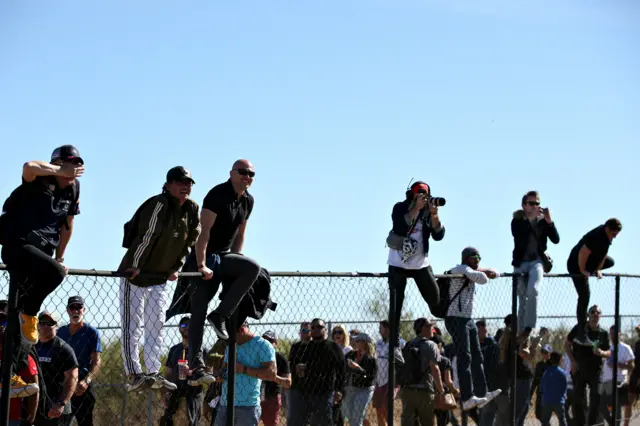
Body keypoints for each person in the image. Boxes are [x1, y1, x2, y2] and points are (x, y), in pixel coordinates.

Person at [0, 145, 83, 395]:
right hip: (18, 245)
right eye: (68, 164)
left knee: (22, 322)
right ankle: (29, 311)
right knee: (54, 276)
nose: (73, 170)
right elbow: (28, 166)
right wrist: (60, 169)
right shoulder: (39, 178)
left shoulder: (74, 188)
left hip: (42, 254)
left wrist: (60, 256)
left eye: (77, 165)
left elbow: (68, 225)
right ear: (57, 163)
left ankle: (11, 375)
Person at [117, 166, 200, 392]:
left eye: (189, 183)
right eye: (181, 182)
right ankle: (134, 373)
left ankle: (153, 372)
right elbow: (146, 236)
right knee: (132, 326)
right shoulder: (159, 204)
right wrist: (135, 263)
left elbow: (190, 241)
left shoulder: (192, 209)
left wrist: (176, 267)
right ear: (168, 184)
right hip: (135, 274)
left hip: (161, 277)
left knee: (156, 325)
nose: (186, 186)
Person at [187, 159, 260, 386]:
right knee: (198, 310)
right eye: (242, 172)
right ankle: (196, 365)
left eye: (251, 174)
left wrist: (236, 259)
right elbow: (203, 232)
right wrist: (201, 265)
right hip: (205, 255)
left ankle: (220, 315)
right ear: (231, 173)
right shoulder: (218, 194)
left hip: (225, 256)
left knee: (252, 268)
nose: (247, 177)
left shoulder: (248, 200)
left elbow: (240, 233)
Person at [444, 247, 502, 411]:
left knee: (477, 355)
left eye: (479, 258)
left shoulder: (471, 270)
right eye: (474, 257)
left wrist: (488, 271)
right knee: (465, 356)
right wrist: (485, 272)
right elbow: (483, 278)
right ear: (466, 258)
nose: (478, 260)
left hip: (468, 319)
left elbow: (494, 273)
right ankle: (467, 397)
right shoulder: (460, 269)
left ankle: (482, 394)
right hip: (455, 318)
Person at [387, 181, 445, 343]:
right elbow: (399, 227)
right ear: (412, 195)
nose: (423, 198)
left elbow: (438, 236)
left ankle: (435, 332)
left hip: (420, 264)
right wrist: (415, 209)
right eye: (419, 194)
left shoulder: (428, 211)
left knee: (435, 299)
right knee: (396, 305)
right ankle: (394, 342)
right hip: (398, 263)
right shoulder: (400, 207)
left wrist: (434, 214)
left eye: (425, 195)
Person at [567, 218, 621, 346]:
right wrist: (583, 271)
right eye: (613, 234)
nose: (614, 237)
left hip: (588, 261)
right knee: (584, 296)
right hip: (576, 264)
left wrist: (597, 270)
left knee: (610, 261)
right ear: (607, 229)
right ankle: (581, 334)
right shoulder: (596, 236)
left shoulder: (607, 238)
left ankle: (591, 269)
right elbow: (583, 252)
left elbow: (602, 255)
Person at [511, 190, 560, 331]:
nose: (534, 206)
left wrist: (549, 221)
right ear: (524, 205)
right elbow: (518, 236)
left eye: (537, 203)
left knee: (533, 290)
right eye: (531, 203)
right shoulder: (517, 221)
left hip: (536, 262)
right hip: (520, 263)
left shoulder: (543, 222)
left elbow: (556, 240)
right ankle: (520, 332)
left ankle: (529, 328)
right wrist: (531, 220)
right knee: (522, 299)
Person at [34, 310, 79, 426]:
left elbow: (72, 378)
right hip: (36, 406)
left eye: (50, 323)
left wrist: (61, 403)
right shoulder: (33, 347)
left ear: (56, 326)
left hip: (56, 408)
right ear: (37, 325)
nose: (46, 326)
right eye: (43, 322)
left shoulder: (63, 348)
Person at [540, 351, 568, 426]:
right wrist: (564, 394)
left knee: (545, 420)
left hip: (547, 400)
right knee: (562, 419)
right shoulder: (562, 372)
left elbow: (542, 386)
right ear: (559, 361)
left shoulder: (546, 372)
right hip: (558, 400)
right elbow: (564, 386)